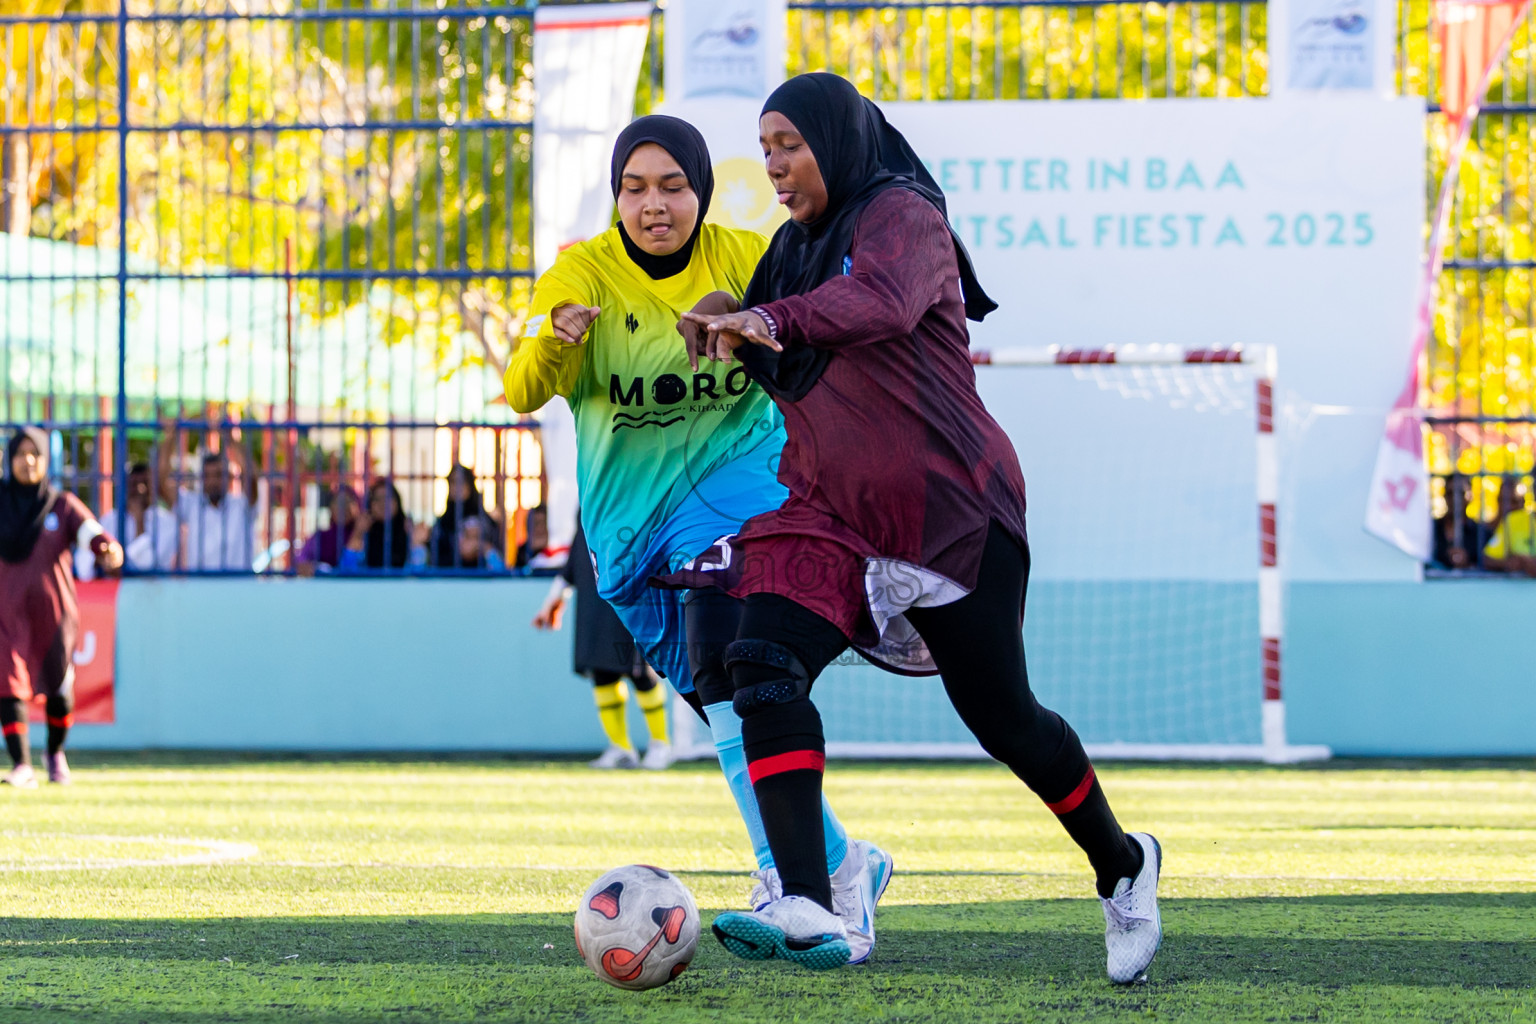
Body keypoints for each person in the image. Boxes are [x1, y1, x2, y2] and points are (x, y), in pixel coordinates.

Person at [671, 73, 1160, 981]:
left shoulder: (903, 214)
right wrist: (720, 318)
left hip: (949, 508)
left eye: (790, 144)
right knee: (760, 665)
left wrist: (764, 317)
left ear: (838, 140)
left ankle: (1122, 864)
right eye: (766, 147)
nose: (773, 164)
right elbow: (771, 337)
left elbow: (883, 304)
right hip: (829, 513)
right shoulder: (789, 250)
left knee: (1007, 722)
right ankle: (811, 898)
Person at [504, 114, 892, 963]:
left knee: (729, 668)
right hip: (629, 534)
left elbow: (829, 320)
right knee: (722, 706)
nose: (655, 205)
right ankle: (842, 862)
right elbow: (523, 390)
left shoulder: (746, 256)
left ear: (702, 191)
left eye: (673, 187)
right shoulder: (578, 274)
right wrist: (555, 341)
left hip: (739, 491)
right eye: (635, 189)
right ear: (617, 198)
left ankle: (793, 885)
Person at [0, 428, 123, 786]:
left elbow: (91, 532)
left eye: (35, 454)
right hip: (7, 612)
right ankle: (22, 764)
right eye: (20, 454)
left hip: (53, 615)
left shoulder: (61, 504)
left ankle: (54, 753)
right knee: (7, 682)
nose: (27, 461)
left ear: (46, 460)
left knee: (59, 690)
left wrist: (107, 548)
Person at [533, 521, 671, 769]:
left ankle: (661, 745)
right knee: (601, 673)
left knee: (641, 672)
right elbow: (577, 554)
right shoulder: (585, 507)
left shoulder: (633, 505)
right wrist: (555, 597)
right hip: (593, 600)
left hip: (631, 595)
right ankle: (621, 748)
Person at [157, 421, 258, 572]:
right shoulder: (191, 504)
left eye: (218, 475)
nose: (212, 481)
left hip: (238, 584)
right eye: (207, 476)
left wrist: (230, 438)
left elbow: (251, 478)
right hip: (200, 584)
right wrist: (172, 434)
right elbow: (161, 481)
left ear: (229, 477)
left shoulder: (242, 505)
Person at [78, 461, 178, 576]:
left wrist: (139, 521)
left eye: (145, 483)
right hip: (112, 586)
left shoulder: (167, 522)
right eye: (134, 484)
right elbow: (85, 563)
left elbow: (147, 566)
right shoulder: (109, 520)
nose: (140, 489)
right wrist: (102, 558)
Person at [430, 464, 502, 569]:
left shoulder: (485, 519)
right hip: (451, 575)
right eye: (453, 482)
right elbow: (436, 559)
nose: (457, 487)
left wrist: (480, 547)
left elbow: (498, 558)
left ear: (470, 484)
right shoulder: (443, 523)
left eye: (461, 482)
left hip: (482, 575)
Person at [341, 479, 419, 572]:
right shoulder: (364, 533)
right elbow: (346, 571)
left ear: (397, 502)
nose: (383, 503)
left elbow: (418, 571)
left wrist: (415, 542)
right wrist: (357, 535)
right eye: (377, 499)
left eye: (387, 498)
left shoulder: (407, 530)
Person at [296, 486, 362, 576]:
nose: (343, 508)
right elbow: (301, 560)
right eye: (339, 503)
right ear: (331, 507)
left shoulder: (364, 536)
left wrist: (358, 534)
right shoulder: (321, 537)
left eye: (348, 503)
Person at [1481, 475, 1536, 576]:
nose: (1508, 506)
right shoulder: (1513, 520)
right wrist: (1509, 563)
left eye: (1514, 501)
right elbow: (1487, 559)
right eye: (1503, 500)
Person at [1430, 473, 1485, 571]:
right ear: (1444, 496)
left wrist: (1467, 564)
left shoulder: (1480, 534)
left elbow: (1487, 568)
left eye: (1460, 493)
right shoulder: (1431, 528)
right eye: (1450, 493)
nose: (1455, 499)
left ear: (1470, 496)